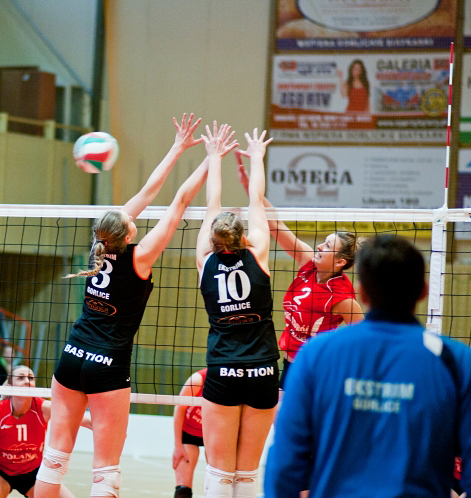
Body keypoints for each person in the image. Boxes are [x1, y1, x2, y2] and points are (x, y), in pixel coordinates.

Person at [34, 113, 209, 498]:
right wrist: (211, 159)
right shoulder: (139, 257)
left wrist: (177, 147)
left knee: (54, 459)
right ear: (127, 231)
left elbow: (146, 192)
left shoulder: (98, 246)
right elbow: (178, 202)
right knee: (106, 471)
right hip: (107, 365)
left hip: (71, 355)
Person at [265, 235, 471, 497]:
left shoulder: (315, 355)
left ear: (361, 292)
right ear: (424, 290)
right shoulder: (456, 362)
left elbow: (285, 461)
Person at [195, 126, 276, 498]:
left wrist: (214, 158)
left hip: (224, 368)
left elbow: (212, 204)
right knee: (247, 473)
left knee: (219, 471)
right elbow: (256, 199)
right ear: (243, 236)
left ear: (213, 240)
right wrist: (256, 156)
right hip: (263, 370)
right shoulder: (258, 252)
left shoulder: (205, 260)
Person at [235, 155, 363, 388]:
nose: (319, 247)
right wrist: (250, 188)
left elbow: (363, 339)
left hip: (318, 369)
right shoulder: (308, 264)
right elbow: (275, 225)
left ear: (340, 262)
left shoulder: (342, 297)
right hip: (290, 364)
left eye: (327, 246)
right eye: (323, 242)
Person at [0, 365, 90, 498]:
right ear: (9, 386)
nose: (27, 381)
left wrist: (105, 426)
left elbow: (84, 420)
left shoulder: (44, 408)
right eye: (21, 378)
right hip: (1, 472)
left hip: (34, 473)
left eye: (31, 378)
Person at [172, 369, 207, 498]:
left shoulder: (233, 381)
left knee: (218, 482)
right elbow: (179, 409)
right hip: (189, 432)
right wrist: (178, 446)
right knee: (183, 491)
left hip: (214, 434)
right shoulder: (198, 380)